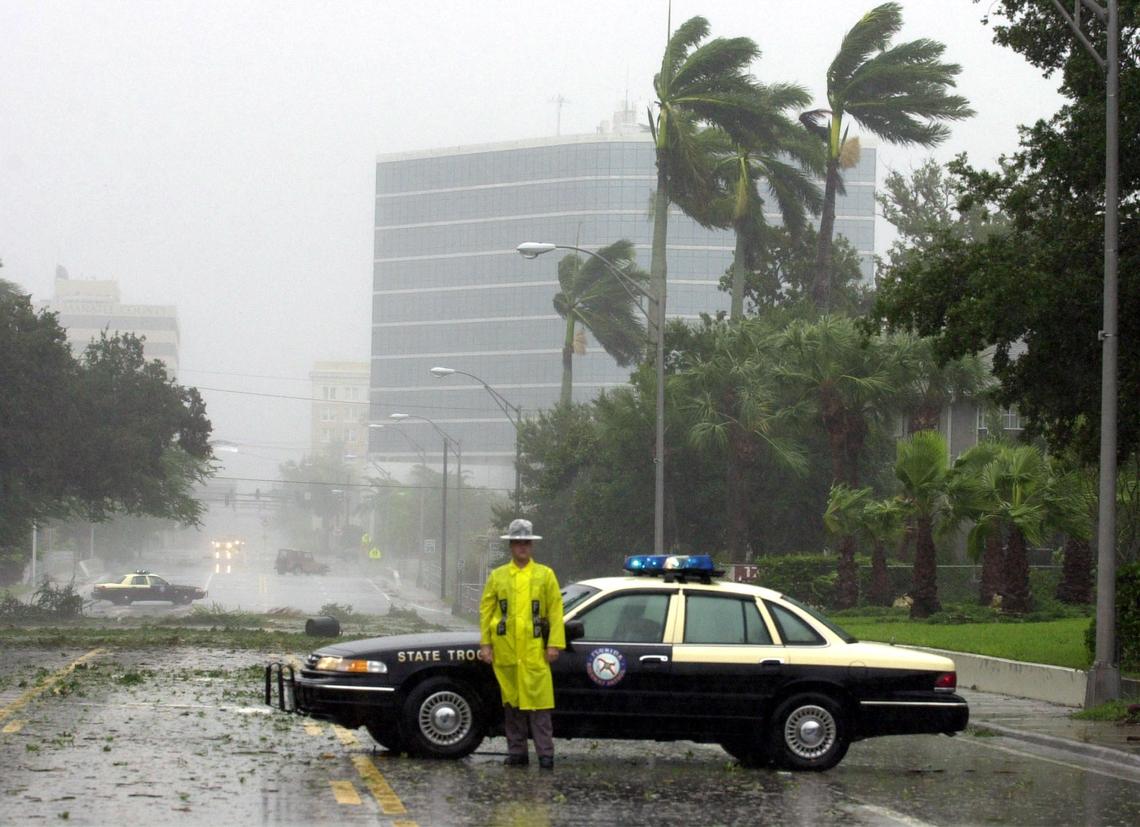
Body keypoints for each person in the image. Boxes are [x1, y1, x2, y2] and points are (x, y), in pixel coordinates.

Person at [479, 518, 565, 769]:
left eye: (526, 543)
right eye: (517, 543)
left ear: (532, 545)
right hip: (507, 652)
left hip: (534, 653)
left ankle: (545, 755)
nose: (522, 547)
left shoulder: (544, 575)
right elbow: (487, 611)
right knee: (512, 706)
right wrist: (486, 644)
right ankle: (516, 753)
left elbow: (555, 611)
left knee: (540, 709)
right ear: (511, 546)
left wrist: (554, 644)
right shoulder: (498, 576)